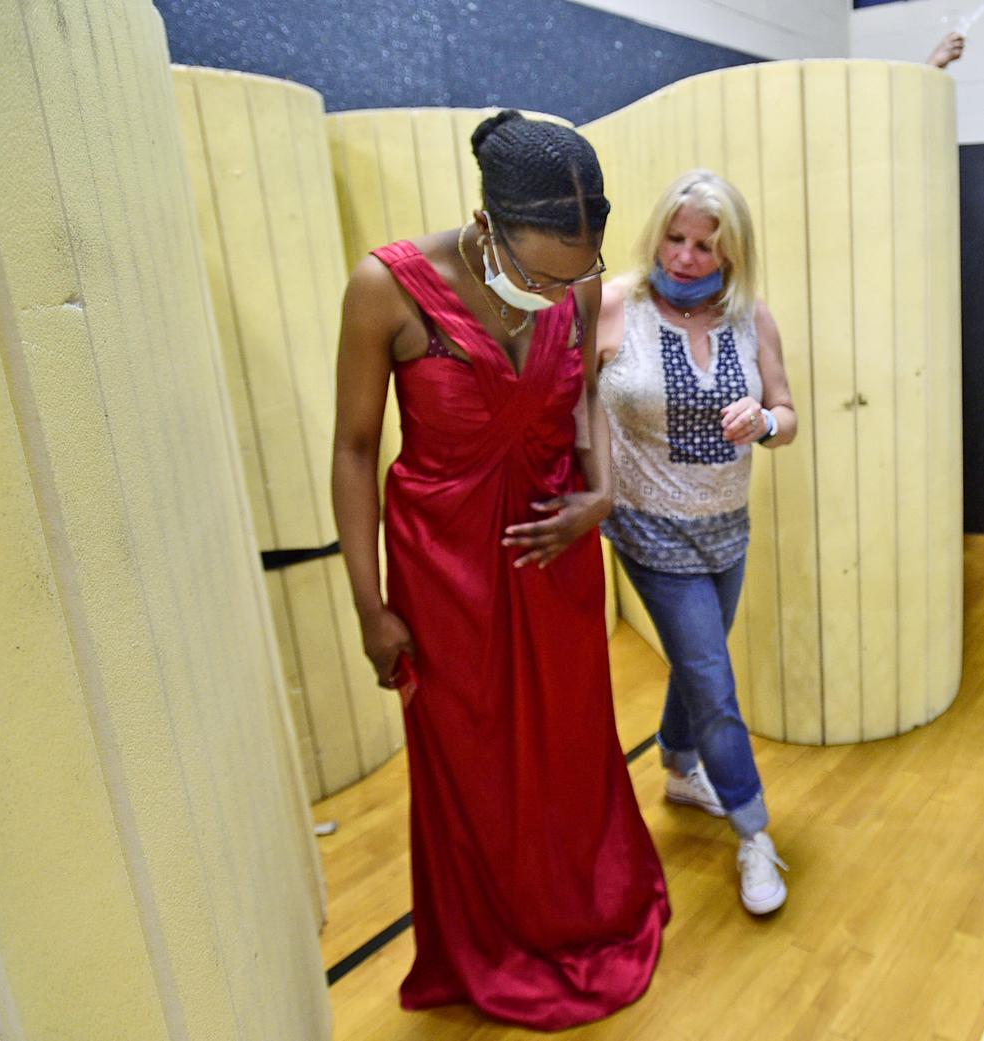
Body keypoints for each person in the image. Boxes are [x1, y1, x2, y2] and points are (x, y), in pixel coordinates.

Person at [331, 110, 668, 1029]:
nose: (565, 290)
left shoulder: (577, 283)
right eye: (544, 275)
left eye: (581, 273)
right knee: (471, 762)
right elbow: (356, 450)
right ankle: (494, 937)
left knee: (570, 748)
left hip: (555, 552)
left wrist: (602, 494)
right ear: (486, 230)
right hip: (444, 574)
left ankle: (583, 909)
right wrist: (370, 607)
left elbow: (587, 398)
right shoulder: (385, 289)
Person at [596, 171, 797, 915]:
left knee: (697, 660)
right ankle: (753, 830)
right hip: (650, 529)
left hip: (727, 527)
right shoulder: (618, 305)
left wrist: (766, 422)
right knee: (714, 681)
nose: (683, 257)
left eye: (704, 246)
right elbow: (567, 398)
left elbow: (788, 411)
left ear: (731, 252)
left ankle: (680, 766)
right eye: (674, 239)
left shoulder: (752, 318)